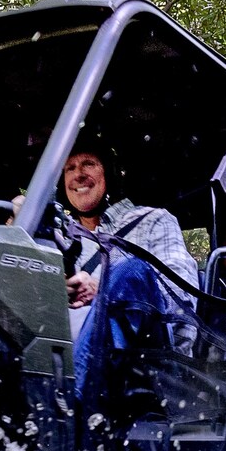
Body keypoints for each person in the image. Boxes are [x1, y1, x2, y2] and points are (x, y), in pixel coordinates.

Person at [56, 146, 199, 411]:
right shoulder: (60, 240)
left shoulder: (154, 220)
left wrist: (104, 292)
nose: (78, 175)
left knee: (128, 270)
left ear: (109, 173)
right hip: (66, 353)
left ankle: (70, 410)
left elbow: (183, 297)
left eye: (88, 163)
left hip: (148, 364)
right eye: (69, 168)